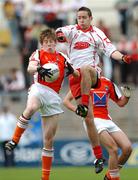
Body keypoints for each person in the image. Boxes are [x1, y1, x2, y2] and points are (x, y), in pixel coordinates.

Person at [56, 6, 134, 172]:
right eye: (79, 17)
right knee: (88, 119)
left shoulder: (97, 33)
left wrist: (123, 57)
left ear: (91, 18)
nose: (81, 20)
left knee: (86, 68)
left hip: (92, 76)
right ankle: (99, 157)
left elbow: (110, 50)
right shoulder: (71, 30)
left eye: (84, 17)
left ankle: (84, 104)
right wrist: (60, 36)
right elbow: (59, 32)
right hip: (76, 79)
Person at [5, 28, 77, 180]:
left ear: (55, 43)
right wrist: (39, 69)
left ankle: (45, 178)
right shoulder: (38, 53)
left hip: (54, 97)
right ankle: (14, 140)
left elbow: (76, 74)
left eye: (51, 42)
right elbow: (30, 68)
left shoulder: (63, 57)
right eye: (46, 43)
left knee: (49, 140)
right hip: (39, 88)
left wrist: (73, 71)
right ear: (42, 44)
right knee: (31, 108)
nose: (49, 45)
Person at [63, 76, 132, 180]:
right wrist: (77, 110)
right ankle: (113, 177)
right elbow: (66, 101)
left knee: (127, 149)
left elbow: (121, 103)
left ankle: (110, 175)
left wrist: (127, 96)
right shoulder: (83, 81)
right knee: (113, 149)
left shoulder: (107, 82)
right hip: (93, 121)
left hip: (107, 120)